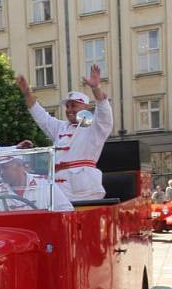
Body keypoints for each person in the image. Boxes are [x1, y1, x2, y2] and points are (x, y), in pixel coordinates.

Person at [16, 64, 113, 202]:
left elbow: (103, 110)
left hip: (84, 191)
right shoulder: (61, 127)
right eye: (67, 106)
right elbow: (41, 116)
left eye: (74, 105)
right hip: (60, 191)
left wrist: (95, 88)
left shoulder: (95, 128)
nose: (69, 110)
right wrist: (27, 93)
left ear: (85, 107)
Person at [0, 154, 74, 212]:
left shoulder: (45, 184)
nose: (0, 172)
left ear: (19, 166)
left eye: (4, 168)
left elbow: (66, 210)